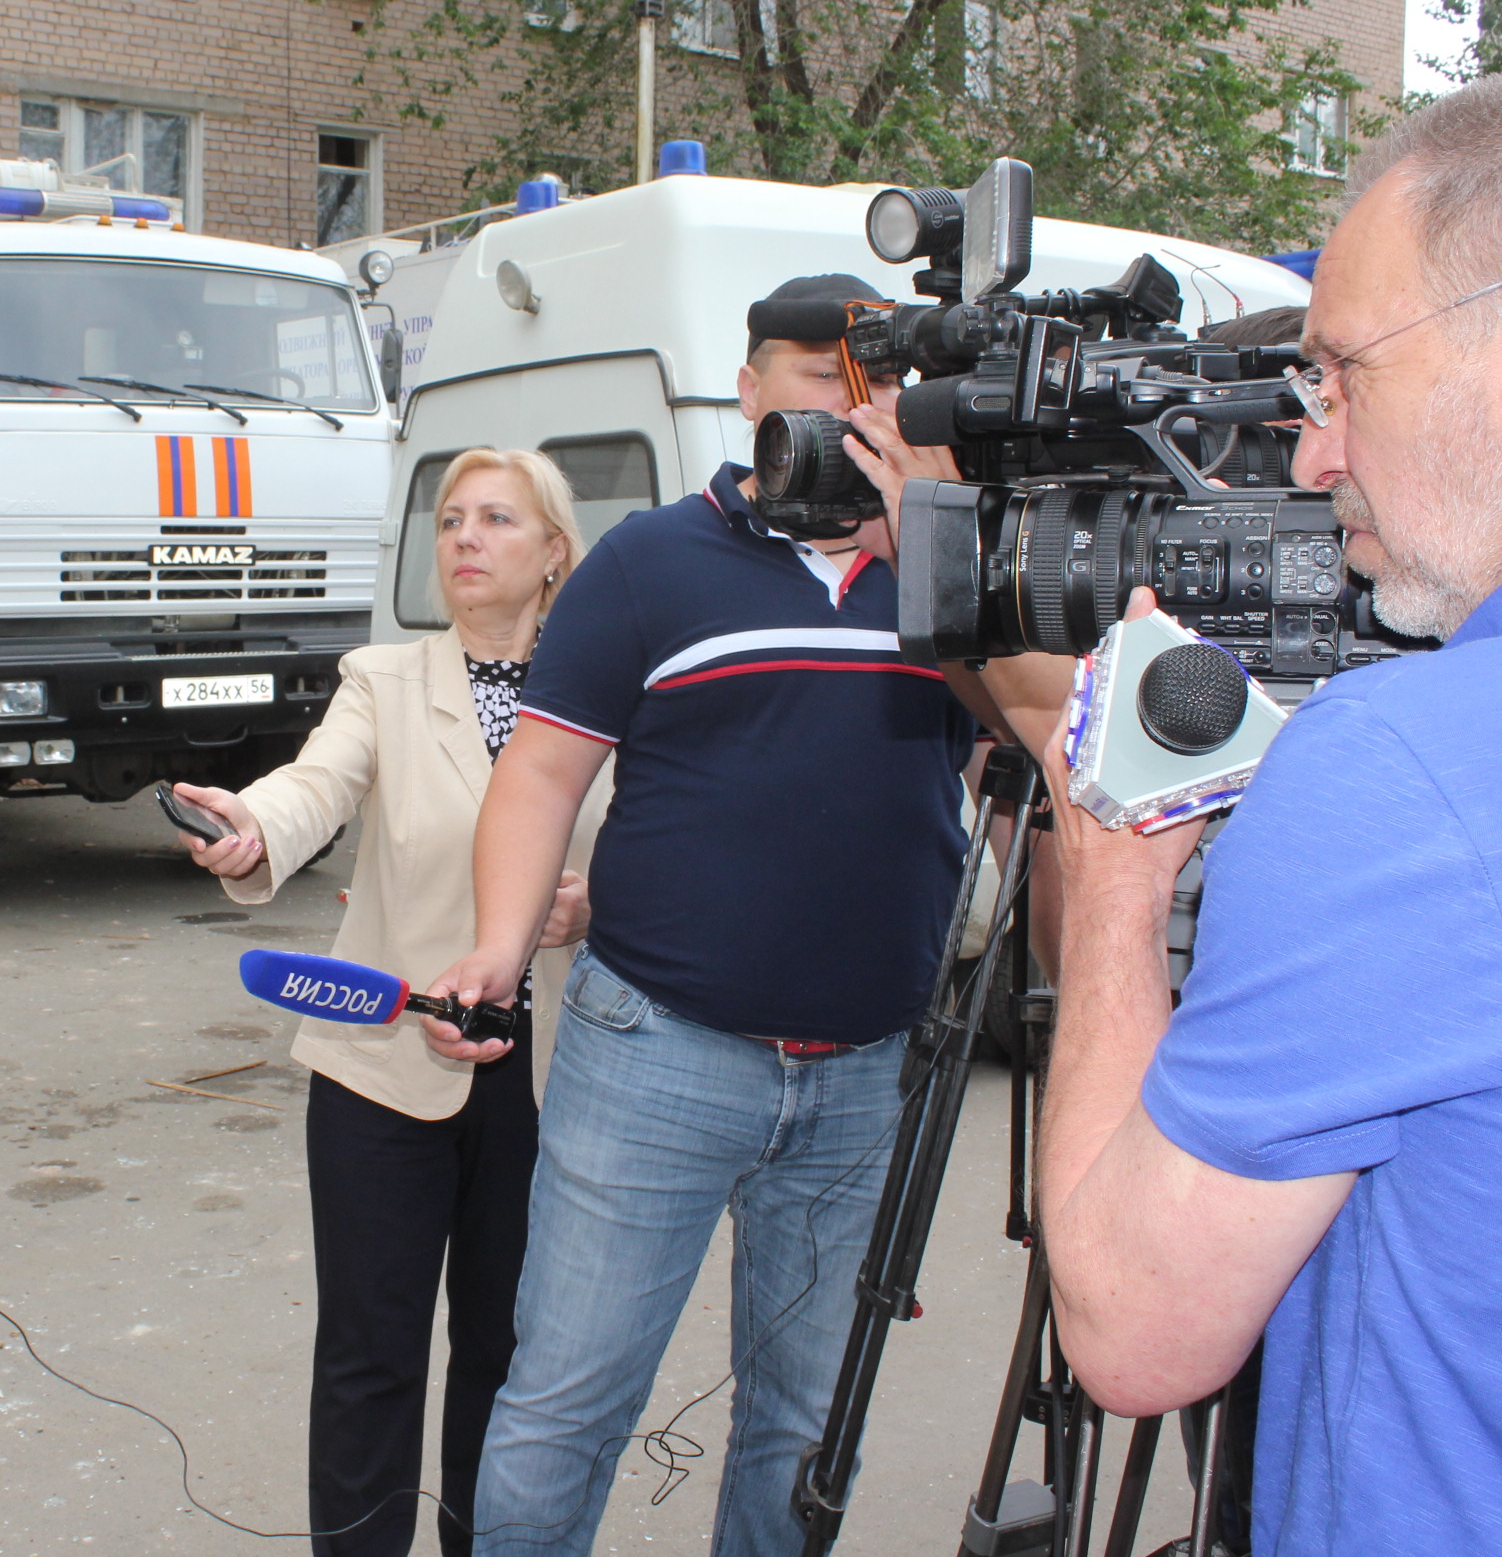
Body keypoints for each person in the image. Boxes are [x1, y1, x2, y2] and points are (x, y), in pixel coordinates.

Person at [1034, 54, 1502, 1555]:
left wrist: (1115, 869)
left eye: (1343, 373)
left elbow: (1132, 1333)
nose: (1314, 455)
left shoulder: (1417, 766)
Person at [422, 276, 1055, 1556]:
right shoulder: (654, 560)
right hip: (656, 1054)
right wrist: (498, 947)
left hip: (869, 1074)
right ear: (753, 388)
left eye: (874, 380)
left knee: (807, 1425)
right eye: (823, 377)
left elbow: (1036, 737)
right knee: (566, 1406)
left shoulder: (943, 567)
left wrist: (934, 543)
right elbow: (541, 771)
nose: (851, 405)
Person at [170, 447, 608, 1557]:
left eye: (496, 519)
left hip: (555, 1077)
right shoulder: (385, 681)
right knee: (370, 1358)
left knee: (511, 1360)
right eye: (451, 518)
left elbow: (663, 840)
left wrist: (594, 904)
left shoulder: (609, 688)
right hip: (384, 1068)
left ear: (555, 552)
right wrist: (255, 824)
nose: (463, 537)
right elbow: (318, 783)